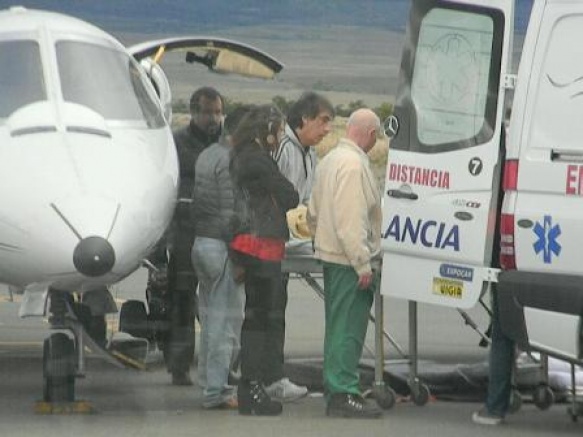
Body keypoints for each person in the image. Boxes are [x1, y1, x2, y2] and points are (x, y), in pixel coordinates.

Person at [307, 108, 384, 419]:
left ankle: (336, 386)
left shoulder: (330, 161)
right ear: (370, 134)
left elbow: (313, 212)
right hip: (347, 260)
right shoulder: (353, 166)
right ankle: (343, 391)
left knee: (336, 326)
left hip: (332, 255)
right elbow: (351, 219)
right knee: (348, 330)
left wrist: (320, 239)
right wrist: (362, 262)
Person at [148, 86, 224, 386]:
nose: (214, 118)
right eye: (208, 112)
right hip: (184, 235)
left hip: (217, 235)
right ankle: (179, 366)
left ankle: (218, 364)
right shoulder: (177, 144)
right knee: (182, 301)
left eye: (218, 112)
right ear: (194, 112)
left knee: (218, 303)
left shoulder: (224, 145)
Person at [229, 105, 299, 416]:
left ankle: (251, 386)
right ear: (267, 130)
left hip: (248, 243)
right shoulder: (257, 160)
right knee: (260, 317)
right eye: (279, 131)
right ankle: (252, 386)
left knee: (254, 315)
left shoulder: (240, 155)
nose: (280, 137)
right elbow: (290, 196)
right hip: (262, 244)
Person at [265, 91, 335, 402]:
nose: (327, 129)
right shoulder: (285, 149)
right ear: (304, 119)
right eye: (323, 121)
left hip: (295, 241)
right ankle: (270, 378)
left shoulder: (310, 152)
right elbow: (274, 199)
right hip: (275, 244)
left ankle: (271, 375)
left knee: (276, 311)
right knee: (269, 313)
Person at [190, 106, 250, 409]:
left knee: (211, 320)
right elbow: (231, 215)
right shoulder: (231, 160)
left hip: (202, 243)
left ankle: (209, 383)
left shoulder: (208, 153)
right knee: (225, 325)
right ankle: (218, 390)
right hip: (222, 249)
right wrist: (240, 258)